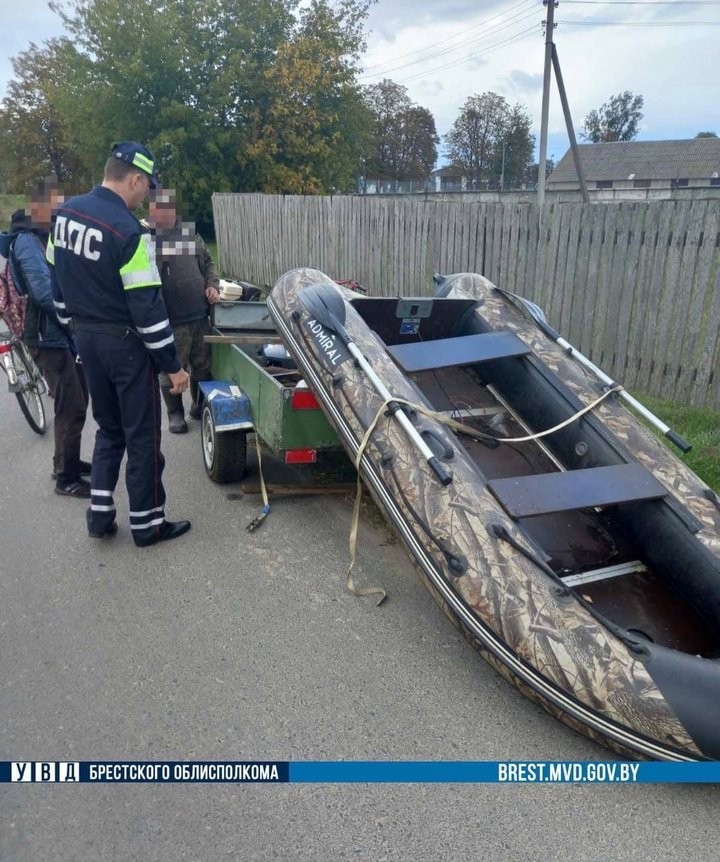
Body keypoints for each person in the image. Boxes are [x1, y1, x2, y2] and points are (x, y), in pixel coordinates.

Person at [47, 141, 191, 547]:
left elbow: (56, 280)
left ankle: (99, 515)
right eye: (147, 186)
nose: (146, 194)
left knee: (109, 430)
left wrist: (71, 327)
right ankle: (148, 524)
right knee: (143, 437)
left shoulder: (64, 216)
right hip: (126, 347)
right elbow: (148, 308)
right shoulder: (129, 233)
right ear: (135, 178)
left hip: (86, 341)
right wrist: (173, 366)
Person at [7, 184, 91, 497]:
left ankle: (68, 461)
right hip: (46, 337)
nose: (59, 213)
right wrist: (77, 312)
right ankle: (65, 479)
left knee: (78, 399)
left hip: (60, 335)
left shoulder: (45, 238)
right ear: (37, 208)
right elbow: (44, 293)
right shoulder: (28, 243)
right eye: (54, 207)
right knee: (72, 406)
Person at [146, 188, 220, 433]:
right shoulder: (148, 240)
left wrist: (212, 285)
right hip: (171, 319)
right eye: (158, 208)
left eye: (167, 208)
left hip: (200, 314)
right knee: (172, 369)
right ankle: (175, 414)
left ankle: (198, 405)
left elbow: (209, 264)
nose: (162, 213)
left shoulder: (190, 235)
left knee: (203, 366)